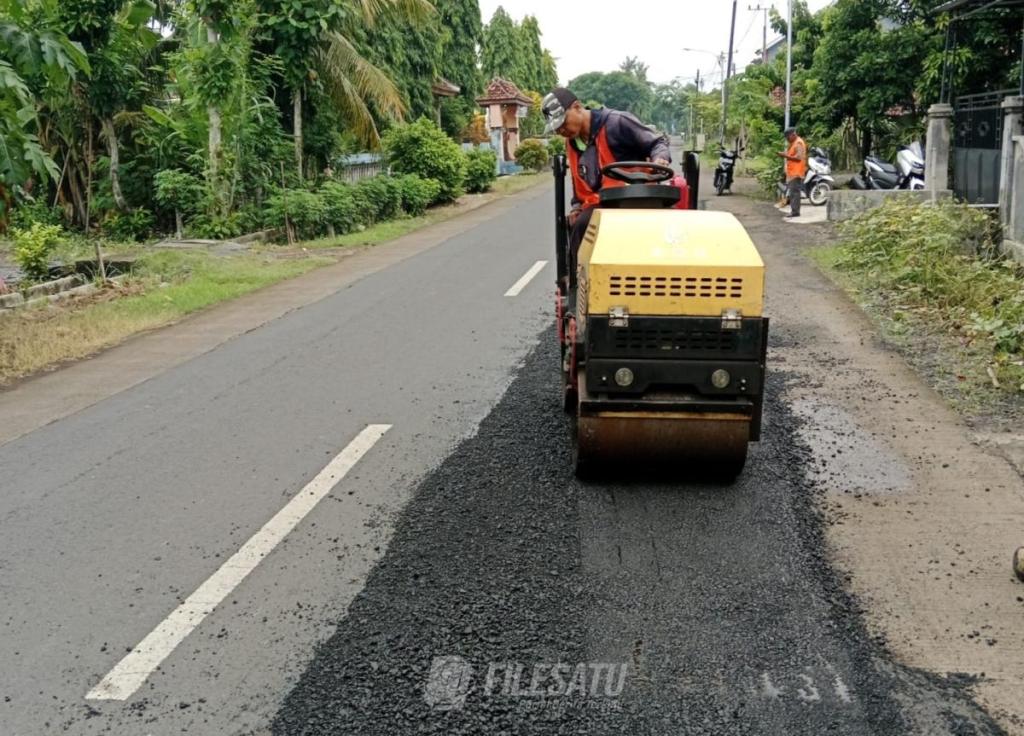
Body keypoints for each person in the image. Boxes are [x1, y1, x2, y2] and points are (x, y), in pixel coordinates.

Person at [541, 87, 671, 264]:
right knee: (579, 225)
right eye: (556, 128)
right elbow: (578, 184)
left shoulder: (617, 123)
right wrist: (577, 207)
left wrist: (660, 158)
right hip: (601, 204)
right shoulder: (572, 144)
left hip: (635, 199)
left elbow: (657, 143)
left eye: (563, 123)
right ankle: (580, 283)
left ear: (577, 107)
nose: (561, 130)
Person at [778, 126, 807, 219]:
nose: (787, 140)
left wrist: (785, 156)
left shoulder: (798, 143)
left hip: (796, 172)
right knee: (793, 192)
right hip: (793, 172)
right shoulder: (795, 142)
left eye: (787, 138)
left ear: (792, 135)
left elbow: (799, 158)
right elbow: (793, 155)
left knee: (795, 193)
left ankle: (795, 212)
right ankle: (794, 210)